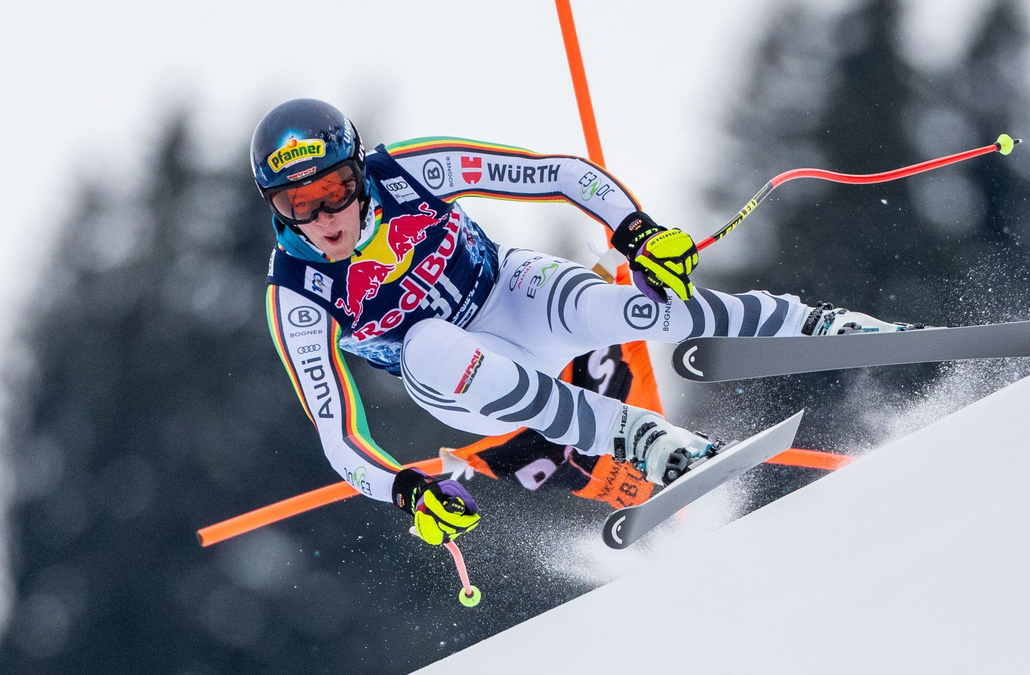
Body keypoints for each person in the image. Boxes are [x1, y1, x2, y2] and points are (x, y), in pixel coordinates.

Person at [252, 98, 918, 546]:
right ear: (278, 208)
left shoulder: (407, 170)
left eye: (334, 190)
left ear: (356, 171)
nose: (323, 218)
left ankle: (820, 326)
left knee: (627, 307)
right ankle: (647, 442)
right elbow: (337, 431)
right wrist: (405, 491)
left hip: (510, 290)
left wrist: (636, 232)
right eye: (297, 203)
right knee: (427, 341)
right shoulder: (296, 293)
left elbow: (558, 174)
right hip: (461, 382)